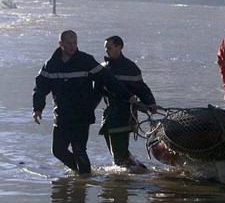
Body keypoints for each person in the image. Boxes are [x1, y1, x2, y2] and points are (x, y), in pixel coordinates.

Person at [32, 30, 135, 175]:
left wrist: (127, 95)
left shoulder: (85, 61)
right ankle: (81, 173)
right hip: (61, 115)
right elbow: (40, 89)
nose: (72, 46)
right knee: (58, 151)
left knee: (79, 150)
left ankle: (84, 180)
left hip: (82, 115)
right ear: (60, 44)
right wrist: (37, 109)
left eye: (75, 43)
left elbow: (108, 79)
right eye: (69, 43)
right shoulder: (51, 65)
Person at [98, 35, 157, 169]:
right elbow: (96, 93)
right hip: (108, 116)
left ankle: (131, 177)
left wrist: (150, 103)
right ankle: (137, 170)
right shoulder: (103, 67)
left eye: (109, 48)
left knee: (119, 156)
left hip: (124, 116)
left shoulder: (130, 68)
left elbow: (142, 88)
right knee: (117, 155)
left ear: (119, 47)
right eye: (106, 48)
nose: (107, 51)